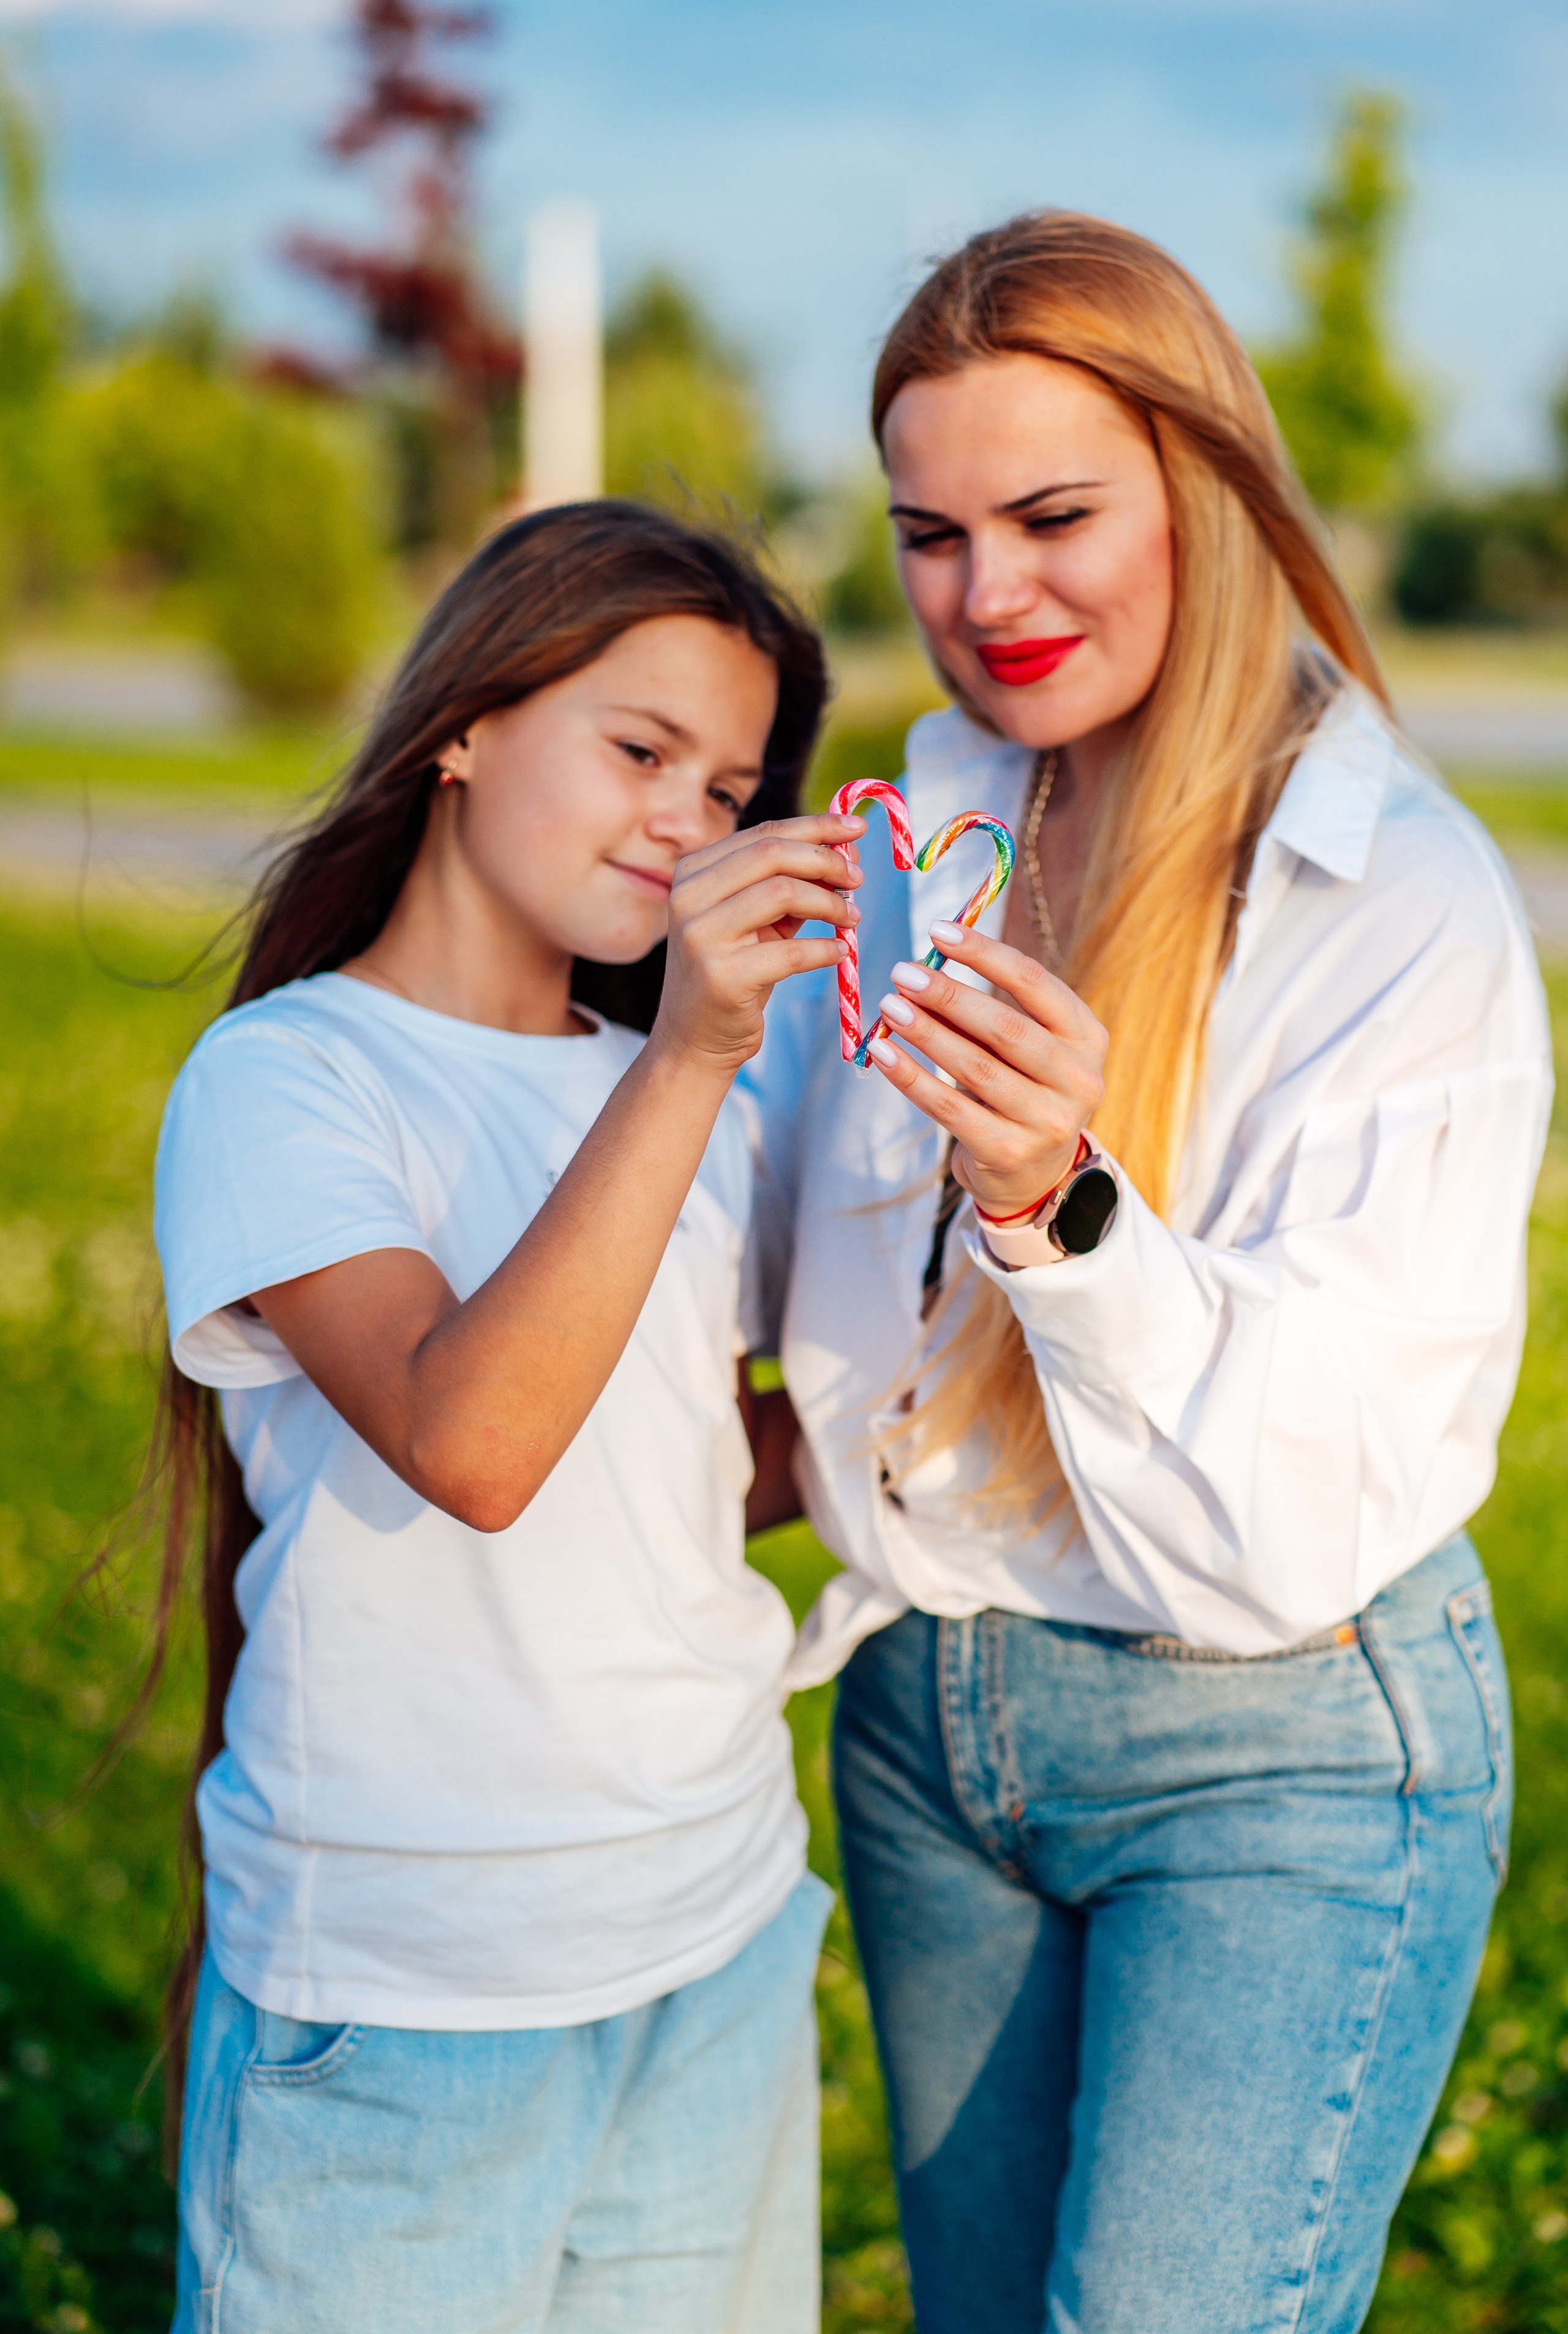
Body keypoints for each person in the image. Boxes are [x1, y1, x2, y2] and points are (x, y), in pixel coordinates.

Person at [744, 215, 1548, 2333]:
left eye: (1052, 515)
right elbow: (783, 1282)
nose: (985, 597)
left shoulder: (1398, 902)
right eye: (929, 532)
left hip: (1272, 1733)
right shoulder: (922, 827)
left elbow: (1292, 1512)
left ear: (1202, 487)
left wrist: (1056, 1206)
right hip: (931, 1713)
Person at [148, 500, 869, 2334]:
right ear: (464, 724)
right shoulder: (293, 1077)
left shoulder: (676, 1088)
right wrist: (703, 1053)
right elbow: (474, 1443)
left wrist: (953, 1361)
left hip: (709, 1929)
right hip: (414, 1992)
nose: (687, 826)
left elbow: (682, 1462)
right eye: (640, 749)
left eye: (730, 791)